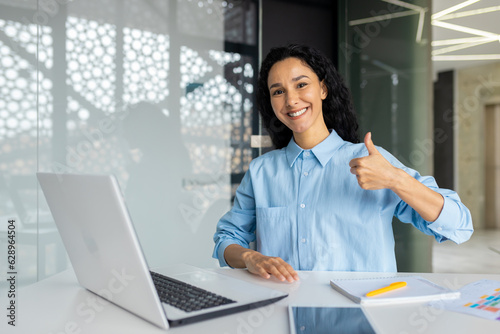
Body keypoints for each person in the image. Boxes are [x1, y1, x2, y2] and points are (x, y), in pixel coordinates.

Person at [212, 44, 473, 283]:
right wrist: (251, 257)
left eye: (301, 84)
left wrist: (396, 179)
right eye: (278, 91)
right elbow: (226, 239)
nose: (291, 100)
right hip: (283, 314)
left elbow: (459, 226)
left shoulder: (370, 161)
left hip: (362, 318)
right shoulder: (261, 172)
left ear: (323, 89)